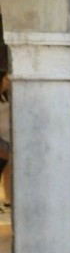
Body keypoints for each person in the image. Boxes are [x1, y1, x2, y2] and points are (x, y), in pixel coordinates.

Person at [0, 72, 11, 212]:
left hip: (7, 136)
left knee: (7, 169)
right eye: (6, 78)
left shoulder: (6, 96)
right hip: (1, 138)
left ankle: (8, 199)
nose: (9, 81)